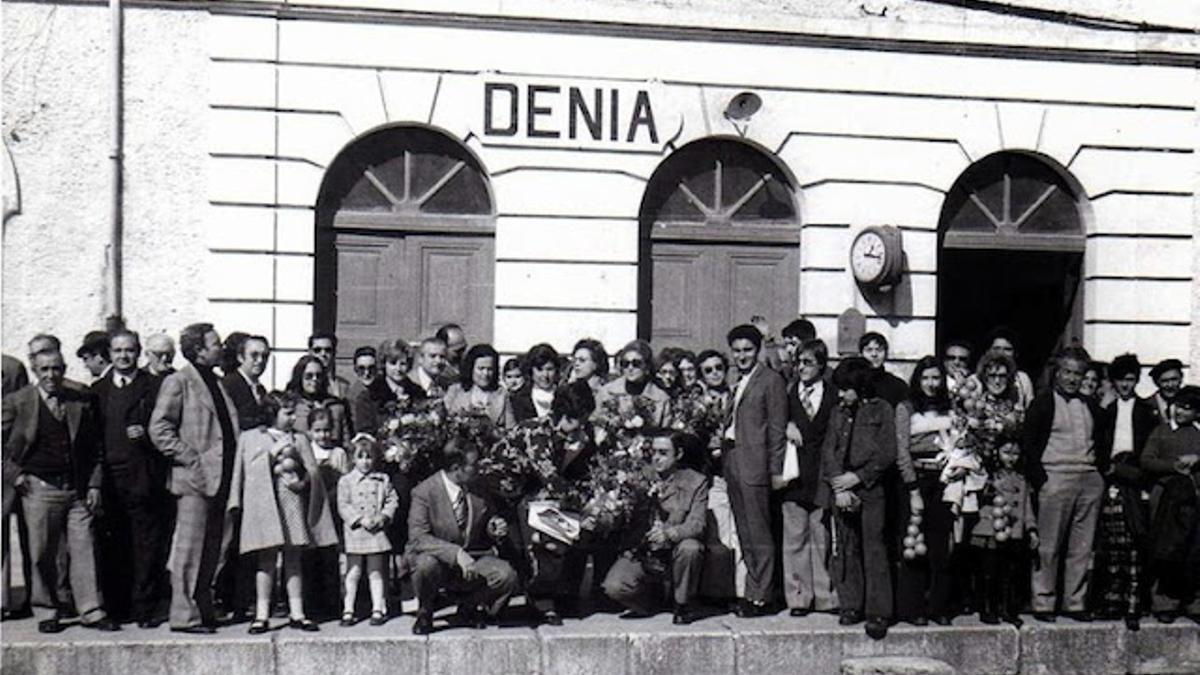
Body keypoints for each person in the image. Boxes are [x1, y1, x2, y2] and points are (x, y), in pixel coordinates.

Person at [1, 345, 119, 633]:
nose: (51, 375)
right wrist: (15, 476)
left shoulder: (79, 399)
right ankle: (47, 610)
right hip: (40, 489)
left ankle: (91, 610)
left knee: (84, 548)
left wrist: (94, 483)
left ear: (64, 369)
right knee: (42, 552)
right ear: (34, 370)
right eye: (44, 369)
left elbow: (95, 448)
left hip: (77, 489)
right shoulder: (18, 401)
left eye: (56, 369)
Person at [149, 322, 240, 633]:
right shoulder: (179, 382)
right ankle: (183, 615)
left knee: (211, 548)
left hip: (220, 478)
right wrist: (191, 458)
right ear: (198, 349)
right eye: (215, 343)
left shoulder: (216, 382)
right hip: (194, 480)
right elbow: (159, 428)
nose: (221, 348)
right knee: (189, 550)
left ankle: (202, 608)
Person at [227, 391, 337, 634]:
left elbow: (313, 471)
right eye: (287, 413)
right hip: (264, 504)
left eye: (293, 413)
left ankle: (297, 613)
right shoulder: (251, 438)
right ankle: (261, 614)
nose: (293, 419)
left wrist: (303, 481)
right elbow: (244, 472)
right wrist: (272, 454)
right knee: (265, 559)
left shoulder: (299, 439)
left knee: (293, 557)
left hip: (292, 502)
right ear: (271, 413)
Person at [1023, 347, 1113, 622]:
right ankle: (1043, 602)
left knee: (1082, 547)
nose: (1072, 379)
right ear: (1057, 373)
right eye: (1067, 372)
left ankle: (1075, 602)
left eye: (1078, 373)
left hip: (1088, 480)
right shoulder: (1043, 402)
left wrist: (1099, 476)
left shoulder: (1090, 405)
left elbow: (1102, 442)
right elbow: (1028, 444)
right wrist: (1042, 482)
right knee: (1048, 547)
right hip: (1055, 478)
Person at [91, 330, 168, 627]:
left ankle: (145, 609)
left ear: (138, 353)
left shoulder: (156, 386)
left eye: (129, 350)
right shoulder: (97, 391)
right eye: (118, 350)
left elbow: (168, 428)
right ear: (109, 354)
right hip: (111, 481)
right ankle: (117, 607)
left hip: (145, 478)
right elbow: (92, 439)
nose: (123, 356)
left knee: (146, 546)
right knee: (113, 546)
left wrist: (147, 435)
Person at [407, 438, 519, 635]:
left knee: (506, 576)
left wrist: (495, 528)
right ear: (456, 467)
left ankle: (468, 607)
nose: (480, 468)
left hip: (473, 559)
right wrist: (455, 553)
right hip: (438, 561)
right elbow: (418, 538)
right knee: (425, 565)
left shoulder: (478, 487)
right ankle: (426, 610)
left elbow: (487, 521)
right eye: (474, 465)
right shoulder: (424, 492)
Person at [822, 356, 896, 640]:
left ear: (861, 387)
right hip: (842, 489)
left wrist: (860, 477)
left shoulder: (881, 410)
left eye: (846, 389)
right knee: (846, 547)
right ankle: (851, 604)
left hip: (871, 489)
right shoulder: (838, 413)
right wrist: (840, 487)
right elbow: (829, 450)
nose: (841, 395)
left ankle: (878, 612)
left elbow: (886, 451)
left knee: (874, 548)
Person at [602, 431, 707, 625]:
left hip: (675, 547)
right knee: (614, 587)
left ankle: (682, 603)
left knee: (691, 548)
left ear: (679, 454)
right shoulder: (637, 476)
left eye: (663, 453)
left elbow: (697, 524)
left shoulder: (695, 482)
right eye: (653, 452)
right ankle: (653, 601)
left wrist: (669, 534)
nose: (656, 458)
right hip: (644, 550)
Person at [722, 324, 788, 618]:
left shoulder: (770, 380)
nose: (742, 356)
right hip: (734, 460)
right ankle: (753, 591)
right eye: (736, 351)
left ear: (758, 349)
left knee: (759, 533)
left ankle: (764, 596)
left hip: (756, 464)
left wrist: (775, 471)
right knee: (745, 532)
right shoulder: (738, 380)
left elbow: (776, 430)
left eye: (747, 350)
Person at [892, 356, 958, 626]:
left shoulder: (950, 408)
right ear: (918, 380)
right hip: (916, 480)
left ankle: (939, 606)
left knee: (940, 545)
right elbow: (902, 451)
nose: (931, 384)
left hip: (944, 480)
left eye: (936, 378)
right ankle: (913, 607)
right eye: (926, 378)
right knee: (913, 545)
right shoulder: (906, 408)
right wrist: (912, 488)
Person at [1093, 353, 1158, 629]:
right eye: (1121, 380)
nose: (1126, 386)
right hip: (1111, 480)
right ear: (1114, 381)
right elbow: (1098, 444)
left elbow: (1149, 451)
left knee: (1134, 543)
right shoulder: (1106, 411)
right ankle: (1111, 601)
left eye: (1131, 380)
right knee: (1112, 543)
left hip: (1136, 480)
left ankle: (1133, 604)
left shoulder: (1145, 412)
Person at [779, 338, 838, 617]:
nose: (801, 368)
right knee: (795, 536)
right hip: (795, 475)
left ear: (821, 365)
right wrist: (787, 425)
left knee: (821, 536)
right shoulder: (789, 394)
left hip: (822, 475)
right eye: (798, 362)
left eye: (808, 363)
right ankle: (799, 598)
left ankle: (825, 596)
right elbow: (774, 421)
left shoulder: (833, 396)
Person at [1140, 385, 1200, 623]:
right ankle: (1164, 601)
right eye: (1179, 406)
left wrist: (1197, 460)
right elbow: (1146, 460)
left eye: (1189, 408)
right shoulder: (1161, 431)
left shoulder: (1197, 433)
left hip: (1194, 499)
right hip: (1166, 499)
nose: (1181, 412)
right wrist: (1172, 466)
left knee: (1194, 549)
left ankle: (1192, 600)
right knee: (1167, 547)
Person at [968, 441, 1037, 626]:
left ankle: (1007, 609)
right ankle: (987, 608)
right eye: (1006, 452)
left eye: (1015, 454)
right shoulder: (988, 476)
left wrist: (1031, 528)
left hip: (1013, 531)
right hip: (991, 529)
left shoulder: (1022, 479)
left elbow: (1026, 505)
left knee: (1009, 573)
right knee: (989, 572)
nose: (1011, 458)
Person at [337, 433, 398, 626]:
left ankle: (378, 608)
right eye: (360, 457)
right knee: (353, 571)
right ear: (353, 459)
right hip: (356, 532)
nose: (365, 462)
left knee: (376, 571)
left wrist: (383, 517)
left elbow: (392, 500)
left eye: (369, 457)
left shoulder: (382, 480)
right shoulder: (346, 481)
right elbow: (343, 504)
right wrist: (359, 519)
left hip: (376, 532)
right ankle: (348, 609)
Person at [354, 339, 426, 435]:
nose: (398, 369)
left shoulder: (418, 393)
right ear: (384, 364)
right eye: (393, 363)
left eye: (403, 364)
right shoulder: (369, 396)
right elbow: (365, 433)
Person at [595, 340, 671, 428]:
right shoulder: (606, 392)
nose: (630, 368)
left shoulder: (661, 399)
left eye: (636, 363)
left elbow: (665, 432)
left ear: (647, 366)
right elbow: (597, 423)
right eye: (625, 364)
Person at [443, 344, 515, 427]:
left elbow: (511, 429)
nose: (485, 374)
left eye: (490, 369)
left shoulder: (502, 394)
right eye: (481, 368)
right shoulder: (455, 391)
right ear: (471, 368)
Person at [288, 355, 352, 446]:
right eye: (309, 376)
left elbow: (346, 441)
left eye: (319, 376)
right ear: (300, 377)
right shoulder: (291, 406)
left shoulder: (336, 407)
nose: (315, 379)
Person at [221, 335, 270, 431]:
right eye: (254, 355)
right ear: (240, 357)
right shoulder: (228, 385)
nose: (260, 361)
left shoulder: (261, 390)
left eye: (264, 356)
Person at [984, 327, 1035, 409]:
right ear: (988, 351)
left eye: (1007, 349)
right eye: (996, 349)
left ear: (1015, 353)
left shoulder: (1023, 379)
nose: (1001, 353)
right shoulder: (975, 378)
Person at [511, 343, 561, 422]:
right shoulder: (518, 398)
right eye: (539, 369)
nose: (545, 375)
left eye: (549, 369)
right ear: (531, 370)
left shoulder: (564, 396)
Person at [858, 332, 908, 407]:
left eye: (879, 350)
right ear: (861, 354)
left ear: (886, 354)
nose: (874, 354)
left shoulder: (897, 386)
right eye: (869, 350)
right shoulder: (854, 383)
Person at [308, 332, 350, 399]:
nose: (323, 354)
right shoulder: (302, 384)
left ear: (334, 353)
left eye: (328, 350)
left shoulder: (344, 386)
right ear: (310, 352)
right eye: (317, 350)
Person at [345, 346, 378, 426]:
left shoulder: (386, 391)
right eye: (361, 369)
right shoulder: (350, 397)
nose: (367, 373)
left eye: (371, 368)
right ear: (355, 370)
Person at [1148, 358, 1184, 424]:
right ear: (1156, 382)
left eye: (1174, 379)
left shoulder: (1191, 403)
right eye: (1165, 381)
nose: (1170, 385)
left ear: (1181, 379)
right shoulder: (1147, 406)